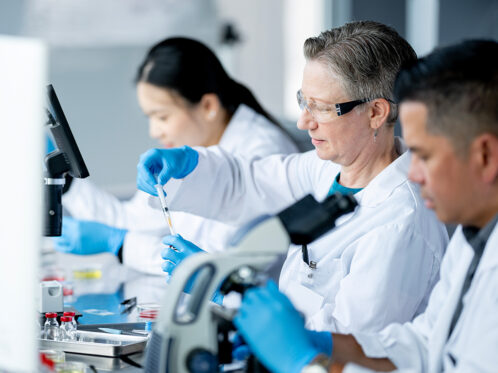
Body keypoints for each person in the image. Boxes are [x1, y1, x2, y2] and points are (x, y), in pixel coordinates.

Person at [136, 21, 448, 332]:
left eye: (321, 108)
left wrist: (229, 287)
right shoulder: (326, 169)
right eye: (303, 102)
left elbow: (349, 343)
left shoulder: (402, 223)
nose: (303, 122)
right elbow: (251, 183)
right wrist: (189, 168)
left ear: (376, 113)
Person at [232, 39, 498, 373]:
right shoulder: (473, 237)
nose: (413, 172)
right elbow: (424, 343)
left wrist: (303, 361)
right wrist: (324, 343)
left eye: (425, 156)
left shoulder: (406, 222)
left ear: (484, 156)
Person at [54, 37, 298, 275]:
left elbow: (212, 263)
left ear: (208, 106)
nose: (154, 131)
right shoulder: (194, 151)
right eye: (149, 117)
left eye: (162, 117)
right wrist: (68, 183)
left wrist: (120, 245)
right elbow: (133, 221)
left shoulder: (262, 152)